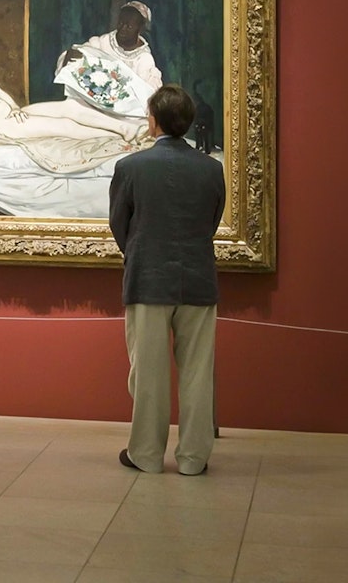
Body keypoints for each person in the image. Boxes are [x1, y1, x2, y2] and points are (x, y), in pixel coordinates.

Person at [109, 83, 225, 476]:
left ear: (153, 121)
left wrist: (143, 251)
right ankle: (194, 458)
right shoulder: (211, 168)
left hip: (148, 278)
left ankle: (145, 454)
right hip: (197, 277)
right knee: (197, 373)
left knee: (148, 374)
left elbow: (119, 225)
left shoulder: (130, 167)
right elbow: (211, 221)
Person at [0, 23, 148, 143]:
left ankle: (125, 127)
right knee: (63, 127)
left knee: (69, 107)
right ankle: (118, 137)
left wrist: (16, 108)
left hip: (12, 115)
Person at [59, 0, 163, 90]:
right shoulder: (101, 43)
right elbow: (73, 57)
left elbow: (150, 92)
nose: (123, 29)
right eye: (121, 23)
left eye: (129, 27)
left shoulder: (144, 59)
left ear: (140, 29)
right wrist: (69, 57)